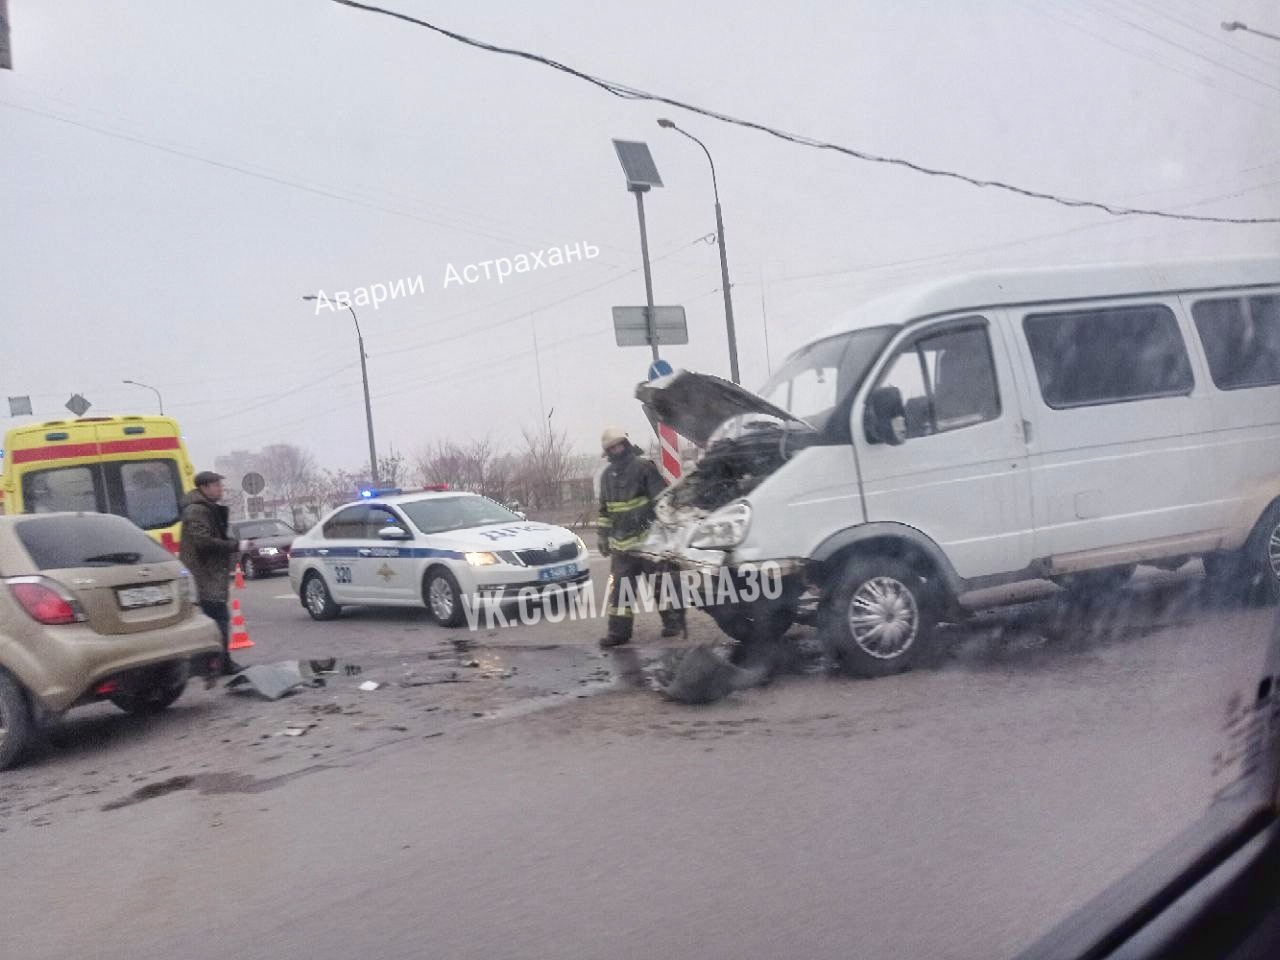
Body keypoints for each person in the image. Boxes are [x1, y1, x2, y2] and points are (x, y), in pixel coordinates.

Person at [597, 426, 685, 647]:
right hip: (622, 547)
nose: (616, 450)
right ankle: (618, 633)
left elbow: (660, 500)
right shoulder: (606, 476)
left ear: (625, 445)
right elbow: (605, 510)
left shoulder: (644, 467)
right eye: (611, 448)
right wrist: (602, 536)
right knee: (621, 591)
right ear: (607, 452)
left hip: (649, 542)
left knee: (661, 585)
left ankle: (673, 623)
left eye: (618, 445)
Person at [179, 471, 248, 674]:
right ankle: (219, 664)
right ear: (205, 487)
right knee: (218, 619)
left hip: (208, 574)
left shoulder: (205, 508)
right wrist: (236, 545)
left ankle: (213, 663)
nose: (221, 488)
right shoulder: (197, 511)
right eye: (217, 485)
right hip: (204, 575)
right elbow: (204, 542)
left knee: (214, 618)